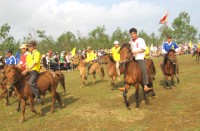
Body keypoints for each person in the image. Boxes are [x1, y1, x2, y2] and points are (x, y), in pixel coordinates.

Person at [129, 28, 153, 92]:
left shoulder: (141, 40)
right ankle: (126, 84)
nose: (132, 35)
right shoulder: (130, 42)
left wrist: (136, 52)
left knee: (143, 69)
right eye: (131, 34)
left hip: (140, 58)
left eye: (134, 34)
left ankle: (145, 85)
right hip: (132, 58)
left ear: (136, 33)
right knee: (126, 68)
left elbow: (143, 49)